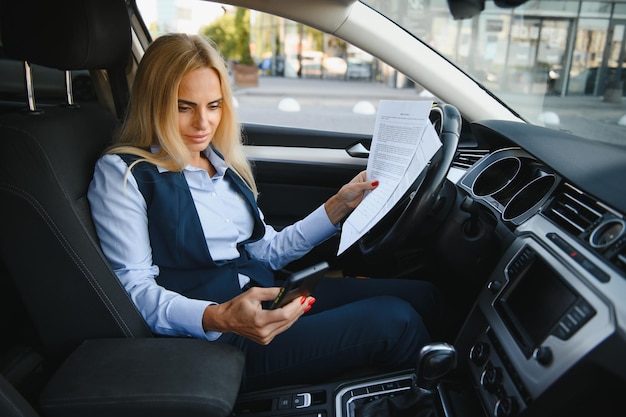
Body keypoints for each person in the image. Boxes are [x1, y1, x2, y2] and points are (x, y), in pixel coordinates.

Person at [88, 33, 444, 392]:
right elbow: (134, 290)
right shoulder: (124, 173)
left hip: (268, 295)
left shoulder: (220, 163)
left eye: (213, 106)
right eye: (184, 107)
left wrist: (338, 207)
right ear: (154, 103)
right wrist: (219, 316)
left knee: (423, 295)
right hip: (221, 337)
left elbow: (263, 250)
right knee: (396, 322)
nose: (203, 124)